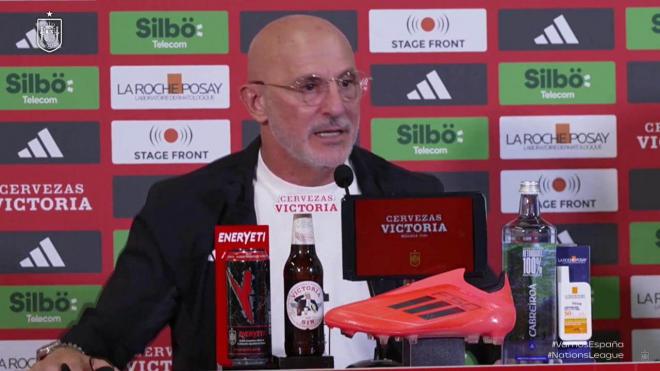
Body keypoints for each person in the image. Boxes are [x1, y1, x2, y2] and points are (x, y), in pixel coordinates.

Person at [31, 14, 443, 371]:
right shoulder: (187, 207)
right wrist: (70, 352)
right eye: (310, 87)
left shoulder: (415, 198)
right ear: (257, 102)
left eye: (347, 82)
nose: (337, 106)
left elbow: (481, 329)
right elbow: (106, 336)